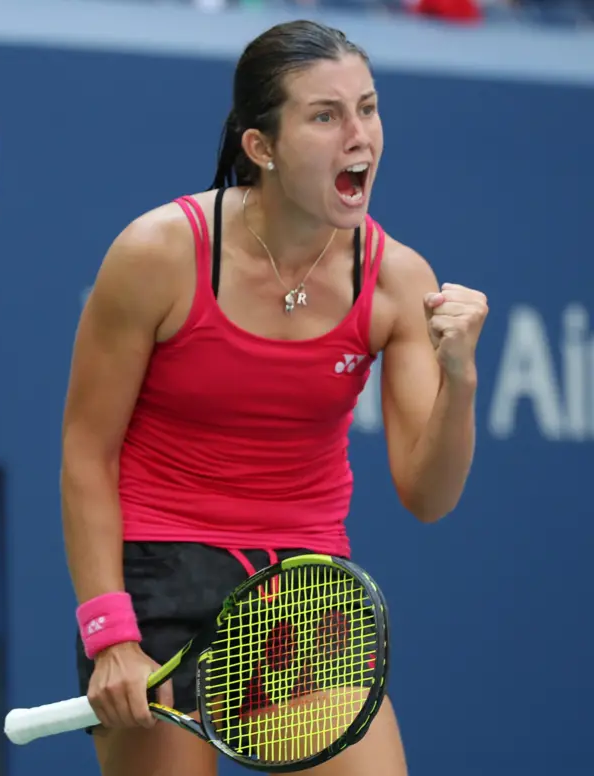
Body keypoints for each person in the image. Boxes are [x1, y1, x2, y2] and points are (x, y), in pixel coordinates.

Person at [61, 19, 488, 776]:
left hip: (301, 585)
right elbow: (87, 454)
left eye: (368, 107)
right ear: (261, 147)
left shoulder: (397, 281)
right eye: (325, 116)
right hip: (156, 575)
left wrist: (460, 377)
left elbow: (429, 495)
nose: (360, 136)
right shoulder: (157, 255)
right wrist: (109, 632)